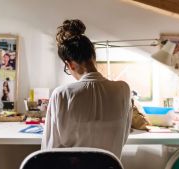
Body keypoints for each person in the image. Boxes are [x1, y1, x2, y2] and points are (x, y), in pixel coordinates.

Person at [41, 19, 132, 158]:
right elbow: (122, 138)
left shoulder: (61, 94)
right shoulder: (123, 90)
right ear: (93, 56)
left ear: (70, 64)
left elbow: (49, 152)